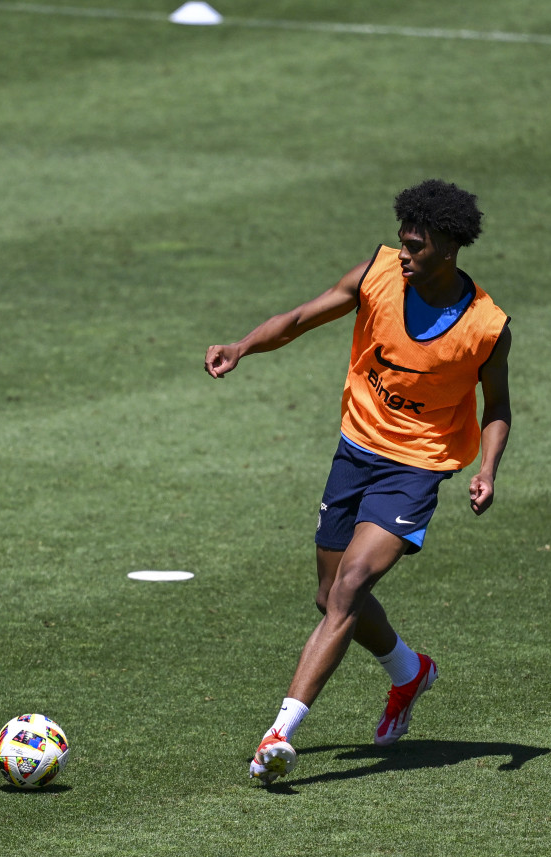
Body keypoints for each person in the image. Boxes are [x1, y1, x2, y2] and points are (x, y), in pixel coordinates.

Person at [204, 179, 512, 782]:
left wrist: (487, 470)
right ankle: (409, 672)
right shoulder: (377, 275)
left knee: (348, 587)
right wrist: (242, 346)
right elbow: (299, 317)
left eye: (417, 246)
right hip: (354, 451)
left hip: (417, 466)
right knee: (329, 599)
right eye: (402, 241)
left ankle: (279, 734)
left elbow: (497, 405)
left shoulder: (487, 326)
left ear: (449, 248)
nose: (404, 254)